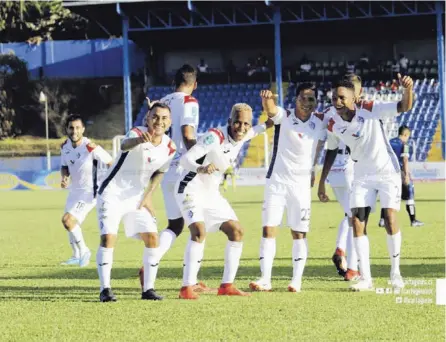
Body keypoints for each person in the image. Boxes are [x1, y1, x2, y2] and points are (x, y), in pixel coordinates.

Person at [318, 74, 414, 291]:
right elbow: (331, 150)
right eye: (334, 98)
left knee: (390, 218)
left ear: (354, 98)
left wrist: (407, 89)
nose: (337, 102)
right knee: (358, 222)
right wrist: (322, 180)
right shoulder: (333, 123)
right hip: (361, 176)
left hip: (387, 172)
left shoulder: (370, 108)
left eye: (342, 97)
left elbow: (403, 106)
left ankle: (395, 272)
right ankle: (366, 279)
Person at [176, 103, 270, 300]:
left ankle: (226, 285)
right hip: (190, 189)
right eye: (237, 122)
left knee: (236, 231)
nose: (241, 128)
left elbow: (262, 127)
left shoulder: (244, 134)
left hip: (211, 194)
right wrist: (200, 168)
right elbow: (185, 160)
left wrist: (278, 116)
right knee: (199, 232)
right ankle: (186, 288)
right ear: (229, 122)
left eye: (246, 123)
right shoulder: (214, 137)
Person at [249, 83, 327, 293]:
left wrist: (313, 170)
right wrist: (267, 98)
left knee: (298, 233)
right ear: (296, 99)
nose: (307, 102)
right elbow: (271, 110)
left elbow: (320, 147)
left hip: (301, 186)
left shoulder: (320, 122)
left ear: (316, 103)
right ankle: (265, 278)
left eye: (311, 99)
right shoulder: (285, 116)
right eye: (303, 98)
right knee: (268, 229)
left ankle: (296, 280)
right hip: (277, 182)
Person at [95, 103, 176, 302]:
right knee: (108, 239)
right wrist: (140, 140)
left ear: (170, 122)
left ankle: (148, 290)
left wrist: (148, 195)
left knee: (152, 238)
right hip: (112, 193)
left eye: (164, 118)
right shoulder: (136, 132)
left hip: (136, 198)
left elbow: (160, 172)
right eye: (155, 117)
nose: (159, 121)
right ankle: (105, 289)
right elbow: (124, 145)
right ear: (147, 118)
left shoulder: (170, 147)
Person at [313, 74, 362, 281]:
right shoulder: (358, 113)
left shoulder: (327, 114)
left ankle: (341, 251)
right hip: (351, 169)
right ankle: (353, 267)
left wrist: (320, 178)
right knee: (357, 219)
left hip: (334, 171)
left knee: (349, 215)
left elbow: (323, 145)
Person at [60, 114, 112, 267]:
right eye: (71, 128)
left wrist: (108, 182)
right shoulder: (65, 146)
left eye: (77, 128)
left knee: (68, 220)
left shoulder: (91, 147)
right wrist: (64, 178)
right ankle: (76, 255)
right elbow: (65, 166)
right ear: (67, 129)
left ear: (83, 129)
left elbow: (110, 162)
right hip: (74, 191)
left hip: (90, 192)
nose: (74, 131)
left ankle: (84, 251)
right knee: (69, 224)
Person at [379, 126, 424, 227]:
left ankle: (382, 220)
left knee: (388, 195)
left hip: (386, 172)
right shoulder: (404, 144)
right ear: (405, 135)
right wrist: (406, 175)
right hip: (399, 173)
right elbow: (405, 160)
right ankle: (413, 220)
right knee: (409, 195)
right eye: (408, 136)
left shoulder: (389, 142)